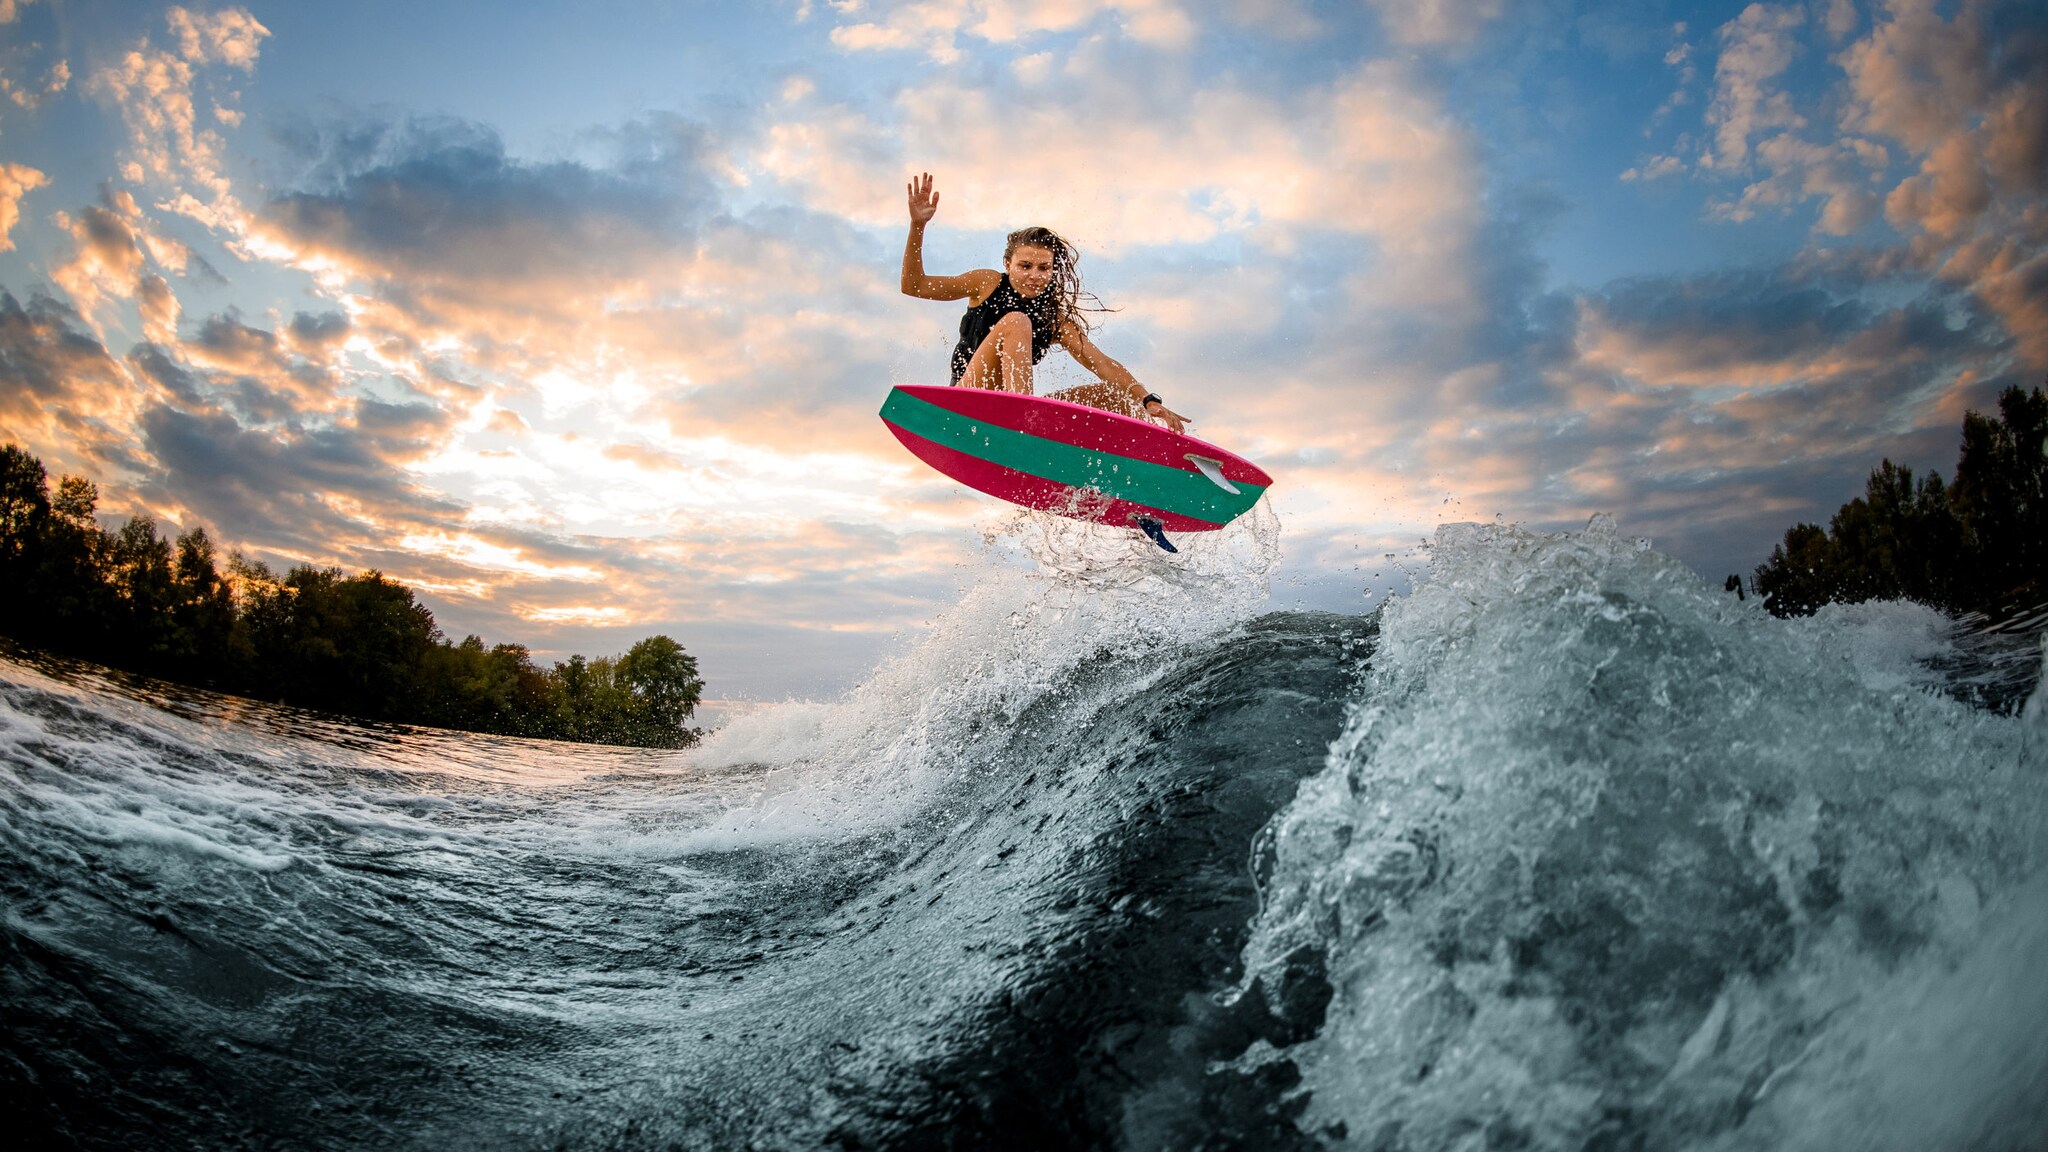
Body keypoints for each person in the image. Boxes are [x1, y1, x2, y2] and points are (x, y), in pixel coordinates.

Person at [899, 172, 1187, 434]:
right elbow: (914, 286)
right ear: (1007, 264)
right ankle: (1020, 414)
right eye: (1025, 266)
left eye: (1043, 268)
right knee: (1016, 321)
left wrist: (1148, 400)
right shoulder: (985, 283)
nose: (1035, 276)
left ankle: (1094, 484)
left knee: (1119, 399)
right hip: (967, 403)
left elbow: (1103, 364)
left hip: (1017, 418)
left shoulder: (1053, 318)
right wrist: (917, 226)